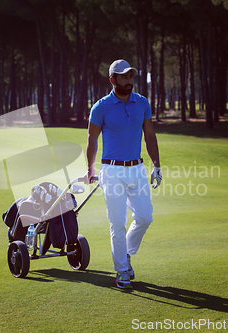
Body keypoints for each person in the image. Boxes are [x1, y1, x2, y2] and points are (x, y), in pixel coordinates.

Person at [85, 59, 162, 289]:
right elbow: (92, 139)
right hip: (112, 170)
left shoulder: (142, 103)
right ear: (112, 80)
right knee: (117, 223)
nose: (129, 80)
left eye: (130, 76)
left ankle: (126, 254)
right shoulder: (100, 107)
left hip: (137, 169)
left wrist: (156, 165)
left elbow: (149, 135)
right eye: (123, 76)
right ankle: (121, 271)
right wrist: (90, 168)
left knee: (145, 217)